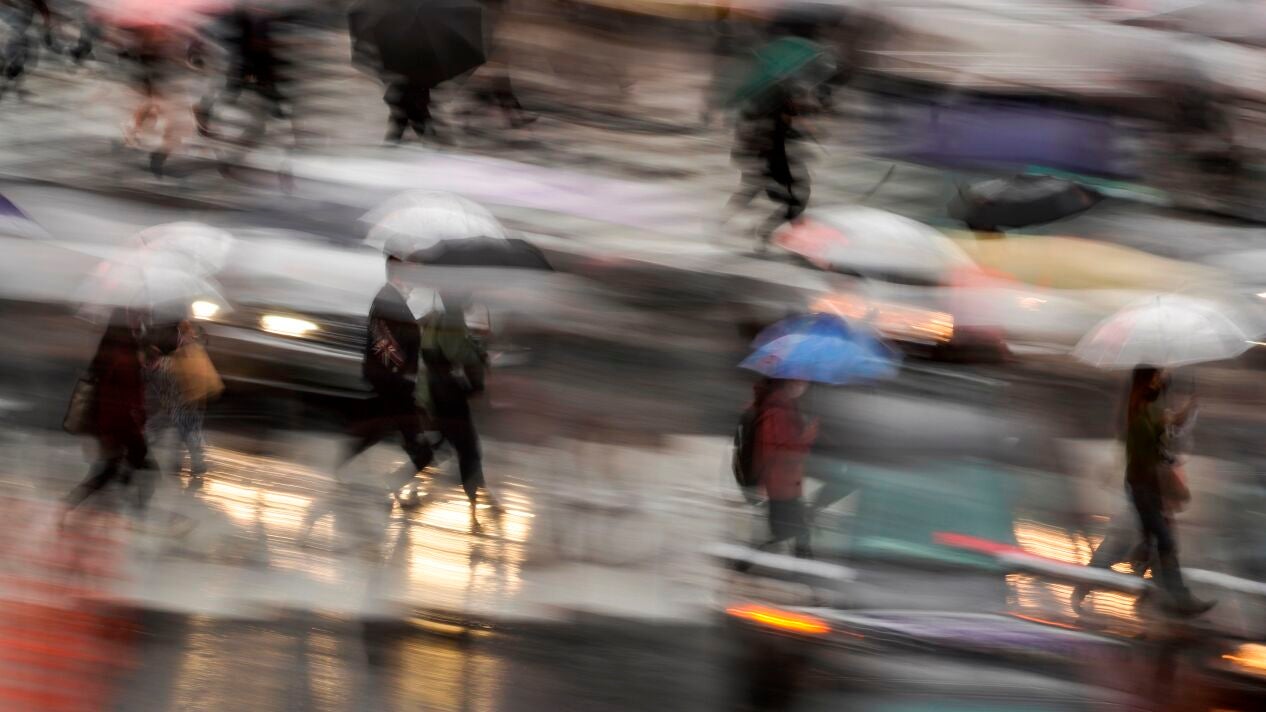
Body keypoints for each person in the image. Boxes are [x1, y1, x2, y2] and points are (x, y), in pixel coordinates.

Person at [1113, 365, 1213, 617]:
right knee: (1163, 542)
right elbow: (1148, 447)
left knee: (1154, 544)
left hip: (1151, 487)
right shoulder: (1140, 413)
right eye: (1157, 377)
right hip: (1142, 488)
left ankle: (1165, 598)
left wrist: (1189, 408)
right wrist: (1165, 456)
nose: (1161, 380)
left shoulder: (1149, 409)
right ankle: (1176, 599)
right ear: (1146, 381)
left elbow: (1171, 426)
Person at [64, 310, 161, 514]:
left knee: (113, 467)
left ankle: (75, 502)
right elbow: (127, 393)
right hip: (120, 422)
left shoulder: (118, 350)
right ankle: (134, 509)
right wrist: (135, 418)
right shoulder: (123, 356)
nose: (140, 322)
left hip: (114, 422)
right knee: (142, 466)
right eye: (135, 318)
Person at [419, 292, 502, 520]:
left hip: (436, 390)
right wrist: (480, 352)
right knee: (469, 449)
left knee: (447, 445)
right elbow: (458, 352)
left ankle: (482, 498)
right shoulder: (452, 319)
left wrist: (474, 345)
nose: (470, 301)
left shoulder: (437, 318)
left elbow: (447, 347)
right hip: (449, 393)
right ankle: (476, 505)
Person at [723, 84, 812, 252]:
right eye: (795, 99)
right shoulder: (774, 121)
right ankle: (766, 233)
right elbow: (775, 146)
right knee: (794, 202)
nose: (798, 103)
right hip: (771, 167)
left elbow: (784, 137)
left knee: (788, 200)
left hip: (769, 167)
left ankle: (731, 222)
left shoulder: (777, 118)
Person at [753, 378, 818, 558]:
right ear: (789, 383)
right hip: (781, 483)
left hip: (785, 482)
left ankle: (747, 561)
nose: (804, 387)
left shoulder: (786, 405)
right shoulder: (777, 410)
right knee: (797, 533)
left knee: (790, 533)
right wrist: (809, 434)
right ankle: (745, 561)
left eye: (805, 383)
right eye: (801, 383)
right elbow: (785, 451)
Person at [145, 320, 219, 477]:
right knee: (185, 431)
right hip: (191, 398)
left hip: (185, 399)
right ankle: (187, 463)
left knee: (182, 430)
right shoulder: (193, 350)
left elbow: (171, 378)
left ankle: (190, 463)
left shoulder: (183, 352)